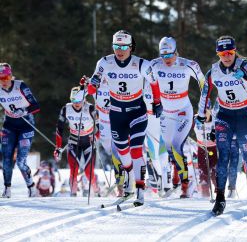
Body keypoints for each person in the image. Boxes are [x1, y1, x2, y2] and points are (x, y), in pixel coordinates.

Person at [88, 30, 162, 206]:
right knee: (123, 153)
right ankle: (128, 182)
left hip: (137, 111)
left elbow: (154, 82)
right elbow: (94, 83)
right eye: (116, 46)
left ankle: (140, 190)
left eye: (123, 47)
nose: (119, 50)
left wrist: (157, 102)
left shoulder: (141, 64)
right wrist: (90, 86)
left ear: (131, 47)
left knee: (136, 150)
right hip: (116, 112)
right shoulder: (105, 62)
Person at [197, 35, 247, 215]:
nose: (226, 57)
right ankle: (220, 198)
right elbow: (205, 94)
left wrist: (246, 76)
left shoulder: (244, 65)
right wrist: (201, 114)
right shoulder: (213, 72)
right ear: (218, 54)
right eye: (222, 53)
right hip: (224, 116)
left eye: (230, 52)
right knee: (223, 157)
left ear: (234, 52)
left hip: (245, 115)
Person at [150, 37, 205, 198]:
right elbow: (141, 79)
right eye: (163, 56)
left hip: (183, 111)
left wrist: (204, 105)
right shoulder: (154, 64)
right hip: (165, 113)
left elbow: (203, 83)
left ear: (176, 52)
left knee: (176, 145)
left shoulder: (188, 65)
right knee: (169, 150)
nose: (166, 59)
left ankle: (185, 185)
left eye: (170, 55)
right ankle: (177, 177)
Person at [0, 63, 40, 198]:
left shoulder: (20, 86)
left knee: (21, 162)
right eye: (0, 79)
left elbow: (36, 105)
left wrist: (24, 110)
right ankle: (7, 189)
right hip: (9, 125)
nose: (3, 81)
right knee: (6, 158)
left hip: (26, 124)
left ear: (11, 76)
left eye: (6, 78)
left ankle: (31, 187)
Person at [53, 86, 100, 196]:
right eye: (73, 100)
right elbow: (59, 128)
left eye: (79, 100)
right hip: (74, 141)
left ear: (84, 99)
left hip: (88, 141)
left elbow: (99, 126)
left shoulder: (90, 109)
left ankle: (97, 191)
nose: (76, 103)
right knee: (73, 171)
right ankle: (73, 194)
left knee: (89, 172)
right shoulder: (66, 109)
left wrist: (96, 136)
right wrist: (58, 147)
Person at [194, 110, 217, 198]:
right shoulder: (196, 118)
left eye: (206, 111)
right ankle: (205, 193)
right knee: (203, 171)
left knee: (214, 170)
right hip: (202, 147)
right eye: (202, 111)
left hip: (213, 147)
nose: (204, 113)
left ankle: (218, 190)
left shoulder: (215, 119)